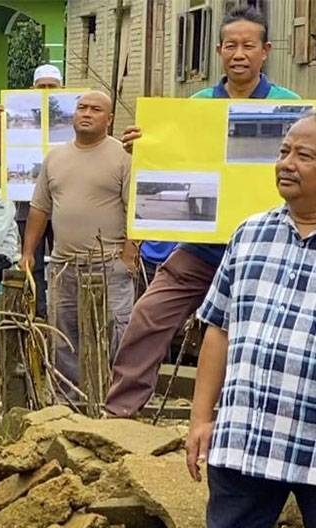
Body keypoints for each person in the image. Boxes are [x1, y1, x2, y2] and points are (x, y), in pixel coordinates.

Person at [104, 6, 301, 418]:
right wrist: (148, 148)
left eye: (249, 45)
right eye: (231, 45)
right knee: (148, 316)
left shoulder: (292, 108)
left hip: (264, 252)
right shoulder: (195, 106)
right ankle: (120, 414)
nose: (239, 53)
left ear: (265, 51)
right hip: (201, 249)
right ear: (218, 50)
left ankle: (239, 419)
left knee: (254, 338)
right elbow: (173, 171)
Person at [177, 112, 316, 528]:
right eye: (285, 151)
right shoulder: (251, 232)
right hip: (247, 437)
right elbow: (219, 326)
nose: (286, 163)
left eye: (304, 156)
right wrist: (200, 417)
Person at [22, 90, 136, 391]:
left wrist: (128, 258)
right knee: (63, 337)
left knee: (114, 334)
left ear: (109, 119)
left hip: (108, 265)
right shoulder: (56, 157)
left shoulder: (123, 157)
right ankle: (68, 401)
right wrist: (28, 252)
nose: (86, 113)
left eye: (95, 109)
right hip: (63, 265)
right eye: (81, 108)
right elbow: (40, 209)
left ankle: (111, 400)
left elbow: (136, 212)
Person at [0, 63, 63, 319]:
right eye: (41, 87)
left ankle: (63, 316)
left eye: (51, 87)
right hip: (27, 203)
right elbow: (4, 161)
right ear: (33, 88)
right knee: (31, 262)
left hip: (64, 206)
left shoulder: (71, 117)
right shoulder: (19, 115)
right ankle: (37, 318)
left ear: (61, 90)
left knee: (64, 264)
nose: (45, 92)